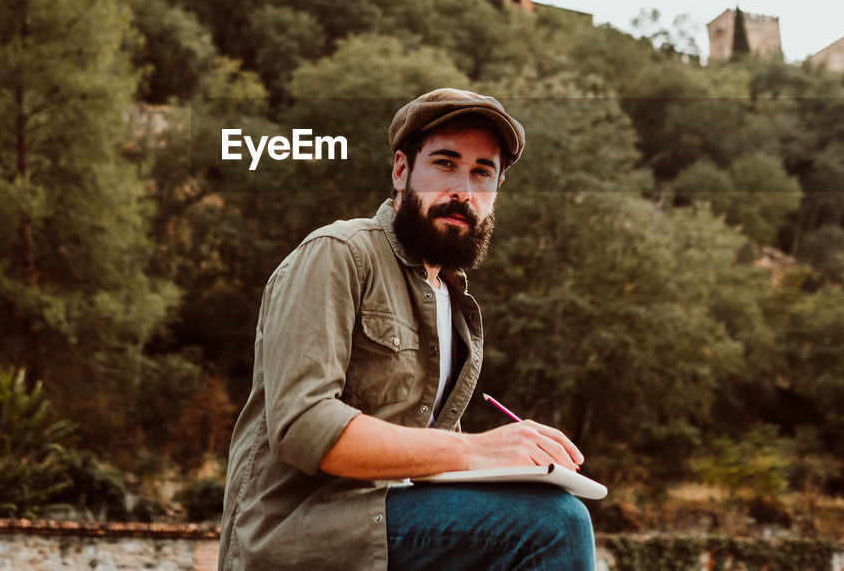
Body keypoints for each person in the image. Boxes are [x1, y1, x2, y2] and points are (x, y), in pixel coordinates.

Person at [219, 88, 597, 570]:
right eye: (445, 163)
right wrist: (477, 448)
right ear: (401, 171)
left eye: (483, 173)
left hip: (400, 526)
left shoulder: (456, 307)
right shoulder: (339, 253)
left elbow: (431, 462)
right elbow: (303, 426)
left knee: (544, 504)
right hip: (304, 534)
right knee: (553, 524)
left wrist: (514, 462)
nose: (463, 189)